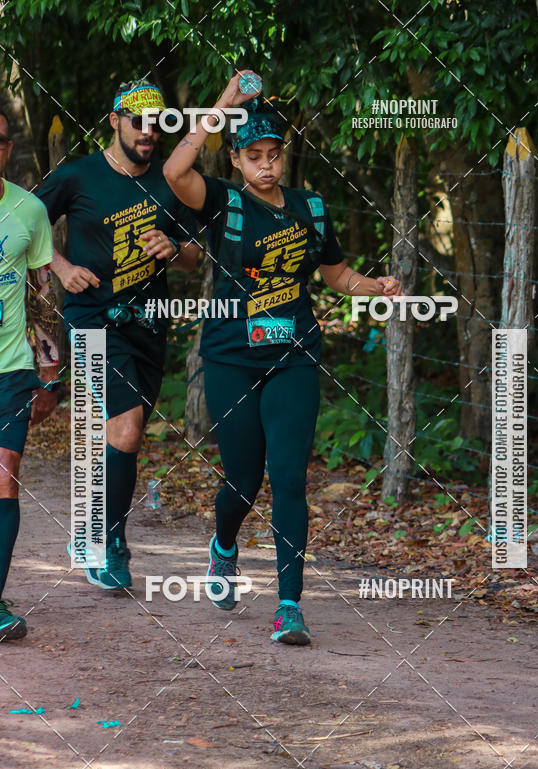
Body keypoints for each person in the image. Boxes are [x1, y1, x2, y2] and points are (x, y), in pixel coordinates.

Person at [163, 73, 399, 645]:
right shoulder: (223, 202)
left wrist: (375, 286)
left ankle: (289, 606)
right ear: (236, 159)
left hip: (294, 354)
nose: (265, 165)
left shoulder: (309, 208)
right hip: (230, 358)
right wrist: (225, 103)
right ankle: (223, 547)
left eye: (273, 155)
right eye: (254, 156)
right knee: (243, 482)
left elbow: (335, 275)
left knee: (289, 477)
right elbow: (173, 171)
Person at [37, 79, 199, 590]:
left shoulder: (171, 180)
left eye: (157, 123)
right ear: (114, 120)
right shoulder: (78, 175)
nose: (148, 131)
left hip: (149, 323)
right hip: (91, 318)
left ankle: (92, 532)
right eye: (138, 121)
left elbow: (195, 257)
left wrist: (173, 249)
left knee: (125, 434)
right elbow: (23, 225)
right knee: (126, 428)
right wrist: (61, 267)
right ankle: (109, 542)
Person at [0, 108, 61, 640]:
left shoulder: (29, 210)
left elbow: (43, 292)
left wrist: (49, 370)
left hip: (12, 369)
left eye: (0, 140)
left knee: (5, 477)